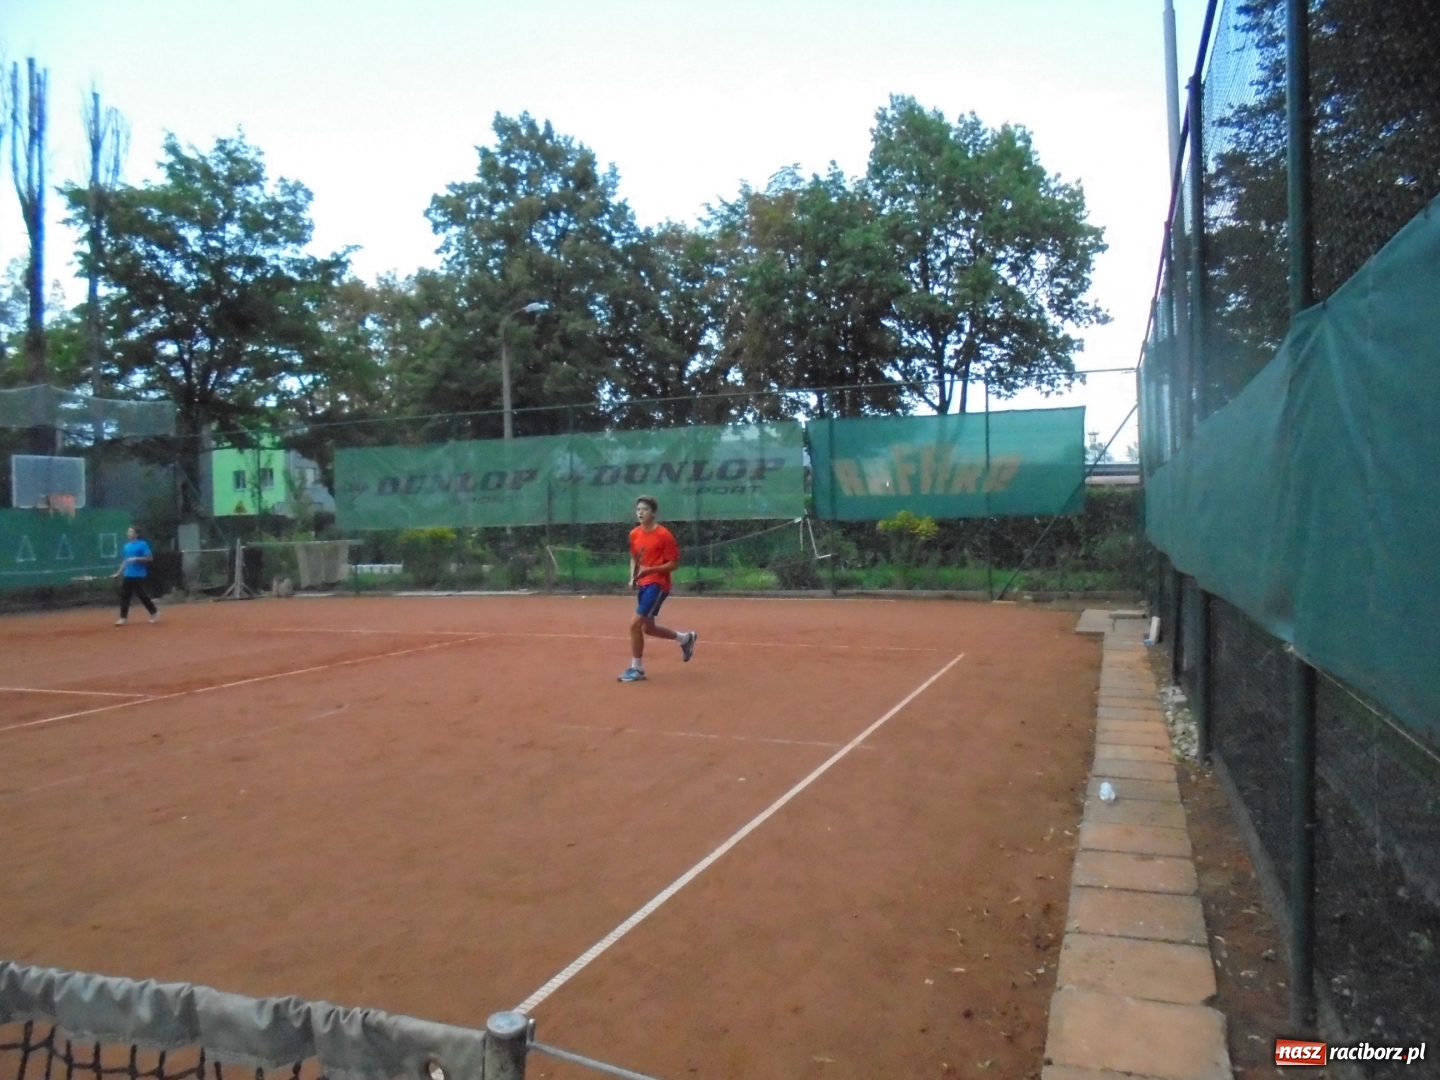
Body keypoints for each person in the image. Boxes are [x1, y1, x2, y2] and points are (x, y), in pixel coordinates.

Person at [618, 495, 696, 682]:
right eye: (638, 509)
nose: (640, 512)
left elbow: (674, 564)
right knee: (648, 628)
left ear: (653, 513)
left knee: (634, 624)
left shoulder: (664, 535)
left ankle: (637, 669)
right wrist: (633, 577)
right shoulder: (634, 534)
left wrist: (650, 570)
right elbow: (634, 559)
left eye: (645, 509)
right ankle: (685, 639)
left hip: (658, 585)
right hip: (644, 584)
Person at [113, 525, 159, 626]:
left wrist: (136, 558)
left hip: (139, 574)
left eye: (130, 532)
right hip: (128, 574)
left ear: (136, 534)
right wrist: (118, 573)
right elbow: (125, 561)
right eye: (128, 532)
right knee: (125, 596)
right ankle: (123, 618)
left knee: (141, 595)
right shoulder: (126, 546)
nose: (128, 533)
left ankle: (154, 612)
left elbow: (149, 558)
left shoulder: (143, 544)